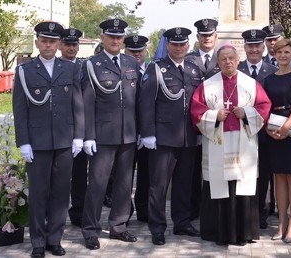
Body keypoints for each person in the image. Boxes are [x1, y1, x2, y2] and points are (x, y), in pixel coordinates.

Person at [12, 21, 84, 258]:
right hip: (38, 141)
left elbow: (78, 104)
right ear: (37, 43)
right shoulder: (25, 70)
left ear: (59, 44)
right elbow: (20, 109)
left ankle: (55, 239)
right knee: (39, 192)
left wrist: (79, 136)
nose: (48, 45)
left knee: (61, 193)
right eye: (44, 41)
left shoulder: (71, 68)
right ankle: (38, 242)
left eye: (53, 41)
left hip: (64, 140)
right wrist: (23, 141)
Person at [190, 45, 271, 246]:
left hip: (243, 143)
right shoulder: (207, 86)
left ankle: (244, 232)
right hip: (218, 143)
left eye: (231, 58)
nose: (227, 62)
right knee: (218, 184)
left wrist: (247, 113)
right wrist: (214, 115)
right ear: (218, 63)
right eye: (223, 59)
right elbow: (196, 112)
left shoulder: (250, 84)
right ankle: (218, 231)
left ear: (237, 60)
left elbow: (264, 107)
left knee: (243, 184)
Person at [139, 27, 203, 246]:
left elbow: (198, 104)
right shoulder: (156, 68)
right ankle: (157, 227)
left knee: (184, 184)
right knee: (158, 185)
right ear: (168, 46)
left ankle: (182, 222)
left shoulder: (194, 70)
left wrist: (201, 130)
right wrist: (148, 134)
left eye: (182, 44)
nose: (179, 48)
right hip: (163, 137)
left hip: (188, 137)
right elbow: (145, 103)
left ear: (188, 45)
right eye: (174, 44)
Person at [80, 18, 140, 250]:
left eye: (119, 36)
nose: (115, 40)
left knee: (125, 185)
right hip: (102, 136)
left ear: (123, 39)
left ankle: (118, 226)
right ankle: (91, 230)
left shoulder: (130, 63)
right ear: (103, 38)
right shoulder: (91, 65)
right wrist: (88, 136)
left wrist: (141, 132)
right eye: (111, 36)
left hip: (128, 134)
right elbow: (86, 103)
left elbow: (137, 101)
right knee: (97, 184)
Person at [261, 38, 291, 243]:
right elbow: (265, 106)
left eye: (287, 52)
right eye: (279, 52)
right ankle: (280, 223)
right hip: (274, 130)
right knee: (278, 177)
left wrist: (287, 127)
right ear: (274, 55)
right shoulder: (269, 79)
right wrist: (270, 129)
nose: (282, 56)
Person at [237, 28, 277, 230]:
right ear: (244, 47)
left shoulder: (273, 71)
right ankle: (243, 210)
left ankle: (261, 211)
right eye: (250, 46)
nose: (254, 49)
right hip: (240, 132)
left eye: (257, 46)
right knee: (242, 171)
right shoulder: (236, 69)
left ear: (263, 47)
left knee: (263, 174)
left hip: (265, 132)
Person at [185, 17, 220, 220]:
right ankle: (192, 210)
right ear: (198, 37)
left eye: (210, 35)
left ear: (216, 36)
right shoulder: (188, 59)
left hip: (217, 125)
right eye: (203, 35)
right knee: (191, 171)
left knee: (214, 168)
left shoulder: (223, 58)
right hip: (192, 124)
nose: (207, 38)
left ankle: (212, 210)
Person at [58, 28, 87, 229]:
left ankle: (78, 212)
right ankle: (53, 213)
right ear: (61, 45)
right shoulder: (54, 66)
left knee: (79, 174)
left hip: (81, 128)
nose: (71, 48)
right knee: (58, 175)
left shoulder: (86, 67)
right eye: (67, 44)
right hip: (59, 128)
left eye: (74, 44)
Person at [123, 34, 150, 223]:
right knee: (124, 175)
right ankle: (124, 210)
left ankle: (144, 209)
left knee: (146, 174)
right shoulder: (120, 70)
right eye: (132, 51)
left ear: (145, 51)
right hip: (125, 131)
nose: (136, 54)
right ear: (126, 51)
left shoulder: (153, 70)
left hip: (147, 132)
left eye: (139, 50)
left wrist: (147, 131)